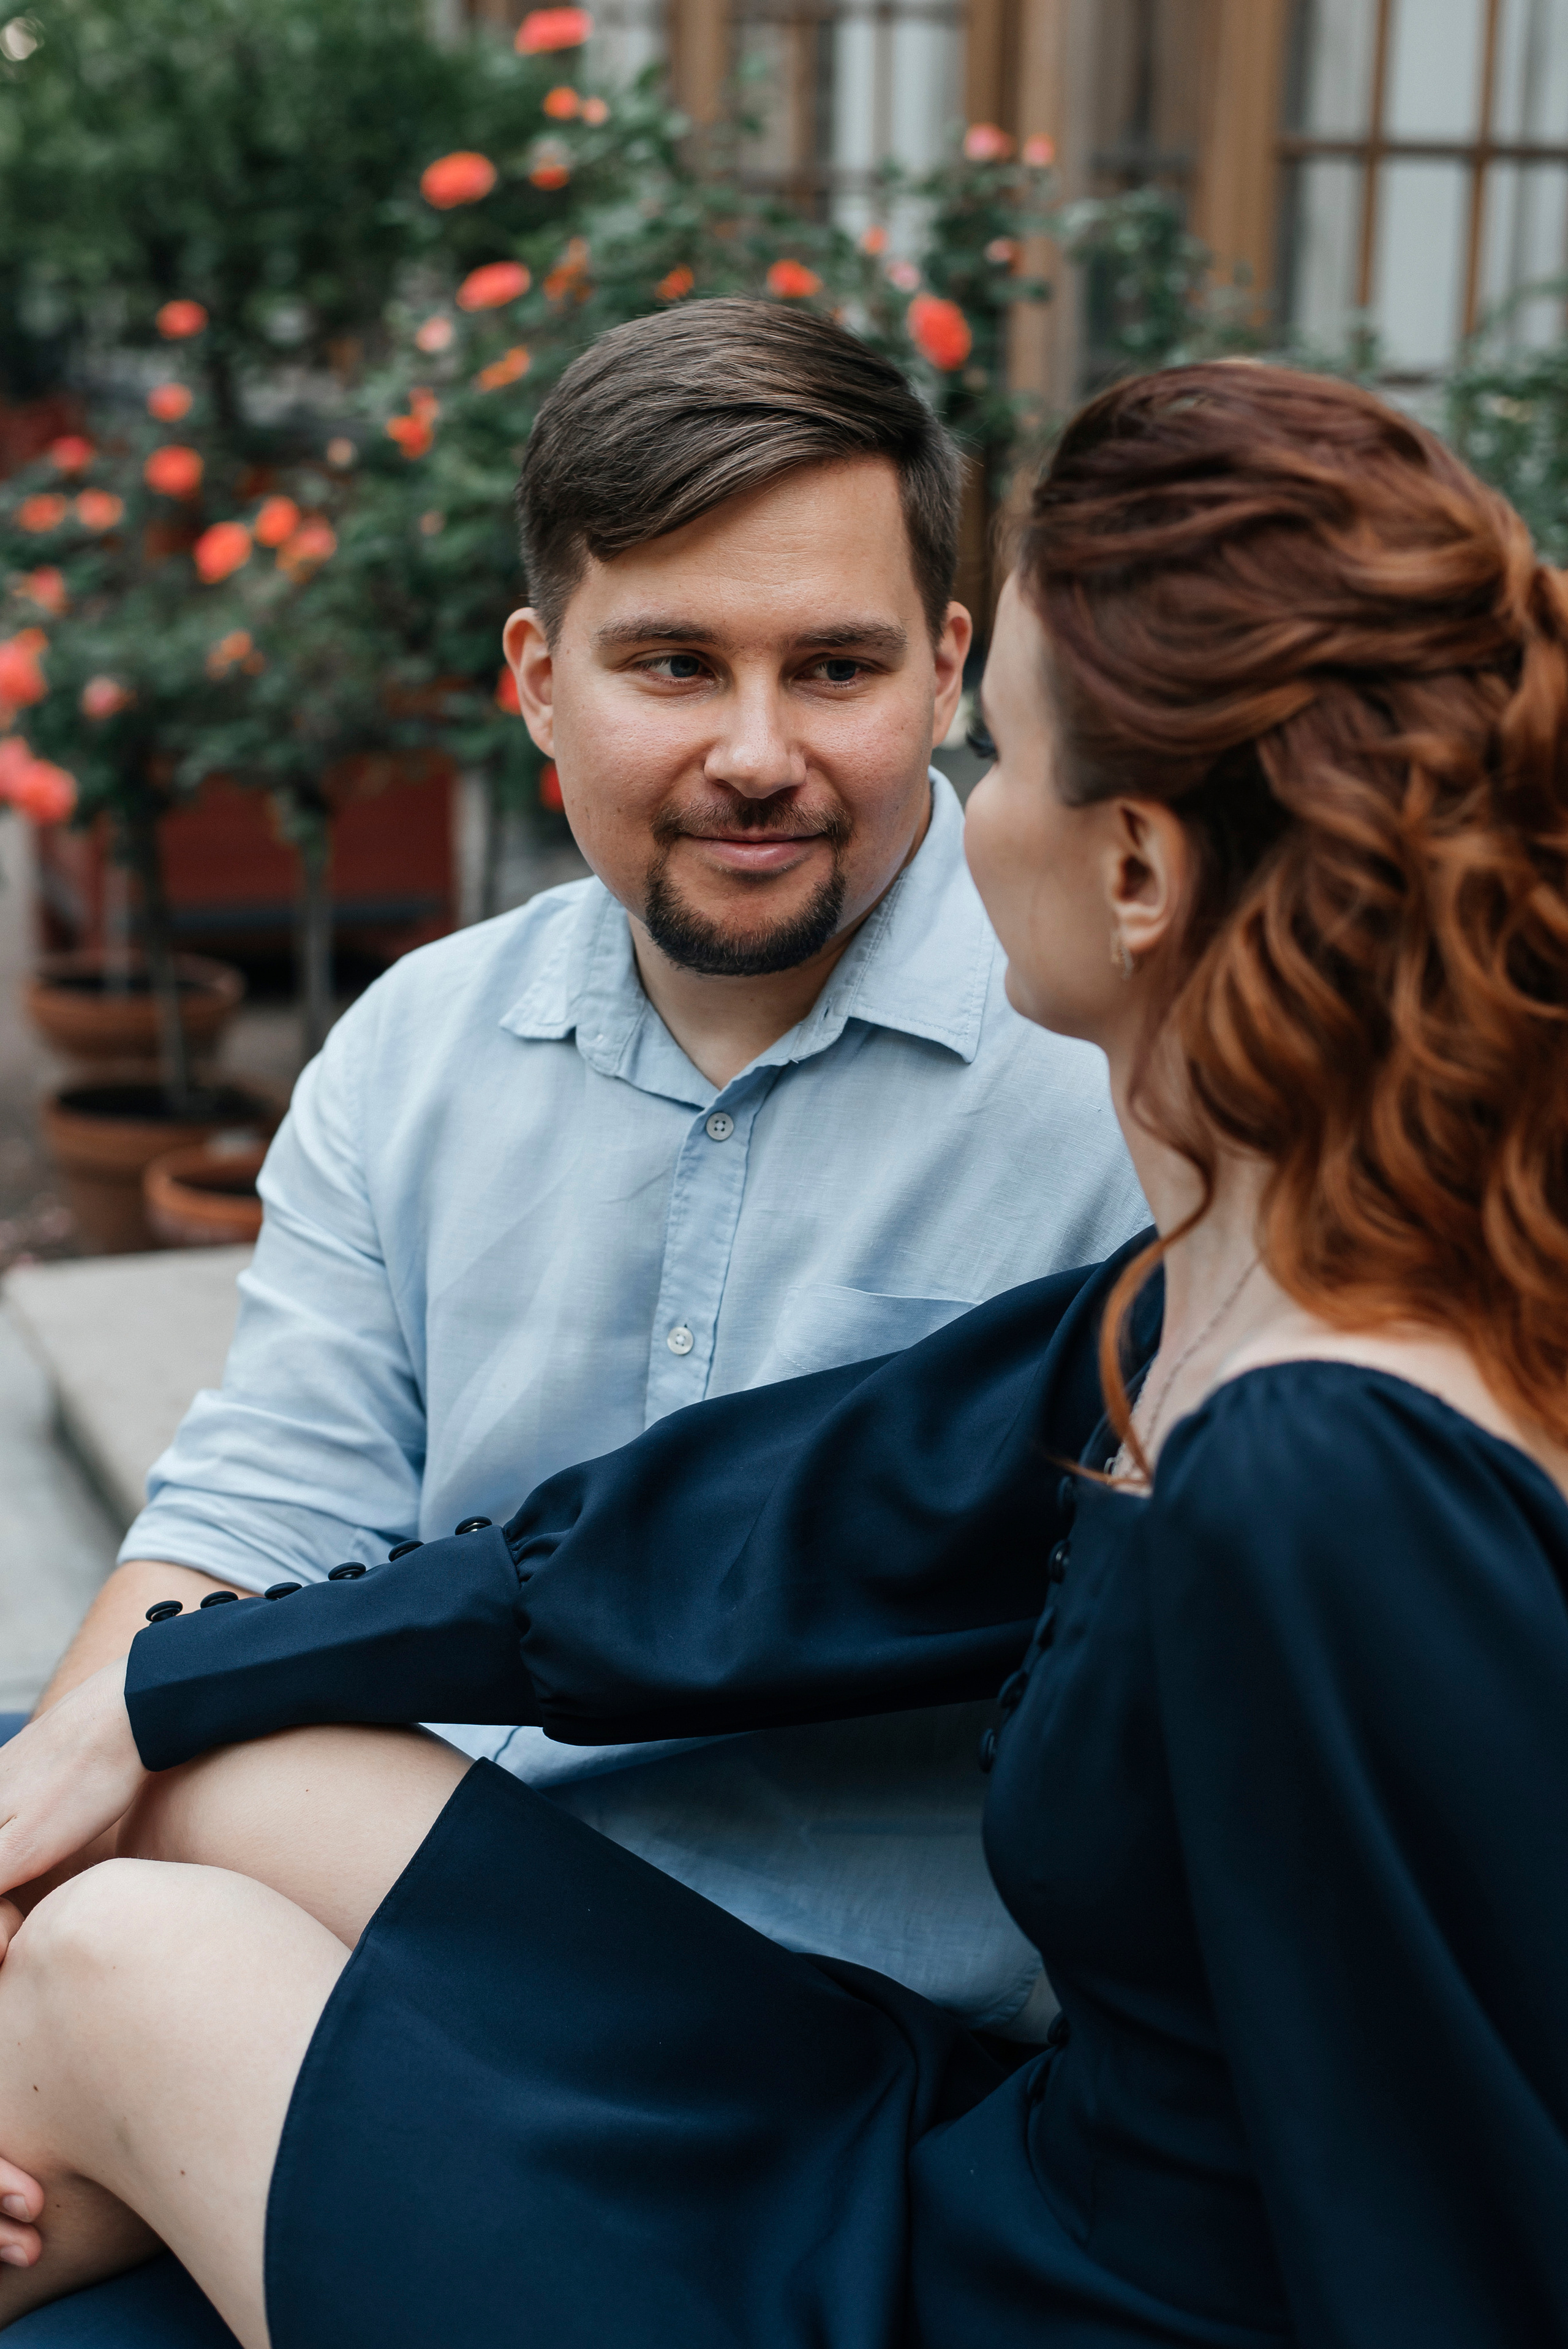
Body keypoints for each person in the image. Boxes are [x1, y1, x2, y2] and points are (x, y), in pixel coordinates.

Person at [2, 358, 1566, 2349]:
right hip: (906, 2147)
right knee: (183, 1787)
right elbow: (765, 1530)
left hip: (1021, 2277)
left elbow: (1459, 2176)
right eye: (673, 664)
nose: (834, 776)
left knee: (122, 1958)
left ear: (1143, 868)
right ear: (541, 676)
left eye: (978, 748)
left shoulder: (1321, 1452)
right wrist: (137, 1703)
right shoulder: (1205, 1282)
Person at [27, 299, 1145, 2037]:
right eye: (677, 664)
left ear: (947, 668)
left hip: (874, 2032)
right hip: (430, 1909)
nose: (758, 752)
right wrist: (40, 1846)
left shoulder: (1118, 1078)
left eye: (833, 669)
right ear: (542, 681)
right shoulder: (417, 1046)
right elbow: (257, 1506)